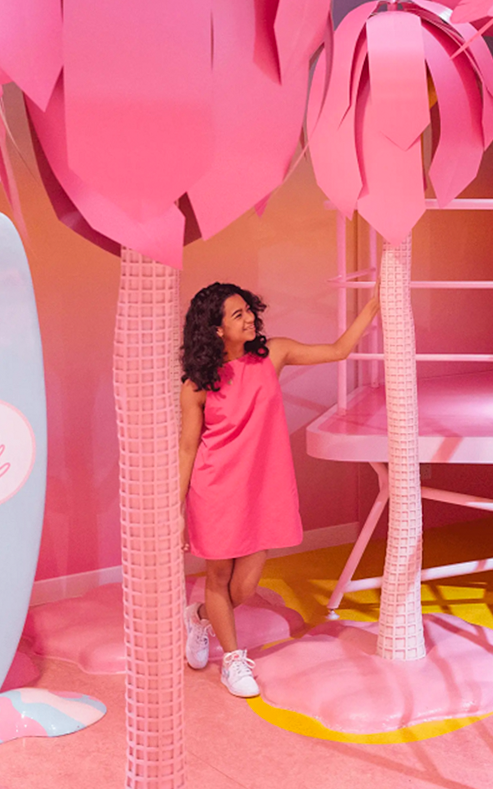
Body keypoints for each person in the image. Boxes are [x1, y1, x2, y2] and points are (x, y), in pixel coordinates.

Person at [178, 282, 378, 696]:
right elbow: (187, 446)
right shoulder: (196, 385)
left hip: (262, 487)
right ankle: (234, 662)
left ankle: (198, 616)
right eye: (238, 314)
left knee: (245, 586)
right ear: (216, 330)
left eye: (249, 310)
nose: (249, 317)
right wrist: (174, 506)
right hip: (214, 487)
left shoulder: (275, 354)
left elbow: (339, 350)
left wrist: (374, 304)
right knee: (218, 574)